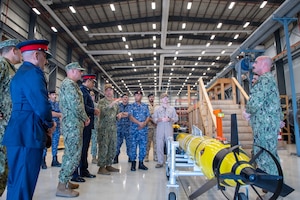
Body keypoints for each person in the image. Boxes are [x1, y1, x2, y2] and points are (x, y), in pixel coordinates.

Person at [2, 39, 56, 199]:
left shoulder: (19, 73)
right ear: (36, 54)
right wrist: (49, 123)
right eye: (45, 57)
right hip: (28, 133)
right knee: (24, 183)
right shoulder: (33, 73)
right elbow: (41, 105)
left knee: (15, 181)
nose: (45, 62)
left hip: (17, 132)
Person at [242, 56, 283, 199]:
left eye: (256, 62)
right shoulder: (269, 80)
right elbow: (276, 102)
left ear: (264, 64)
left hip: (264, 126)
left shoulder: (265, 79)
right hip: (266, 124)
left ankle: (272, 188)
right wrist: (280, 119)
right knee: (269, 154)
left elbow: (256, 101)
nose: (254, 64)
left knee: (265, 155)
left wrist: (247, 112)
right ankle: (273, 186)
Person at [56, 62, 90, 198]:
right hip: (72, 125)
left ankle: (65, 181)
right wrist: (85, 117)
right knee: (73, 155)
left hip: (73, 124)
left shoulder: (70, 84)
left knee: (71, 153)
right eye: (79, 71)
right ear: (72, 71)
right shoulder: (69, 85)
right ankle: (61, 186)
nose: (81, 73)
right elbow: (76, 105)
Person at [0, 39, 22, 196]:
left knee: (5, 168)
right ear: (14, 50)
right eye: (20, 51)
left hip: (9, 127)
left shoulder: (11, 69)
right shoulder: (1, 64)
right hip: (1, 126)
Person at [72, 74, 99, 182]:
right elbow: (81, 106)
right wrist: (93, 110)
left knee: (85, 148)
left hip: (87, 124)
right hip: (84, 124)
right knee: (81, 149)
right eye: (92, 82)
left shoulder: (86, 91)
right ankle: (76, 173)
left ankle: (83, 170)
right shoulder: (82, 91)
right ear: (87, 81)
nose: (93, 84)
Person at [97, 84, 121, 175]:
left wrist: (119, 116)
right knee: (103, 147)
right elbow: (101, 112)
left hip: (113, 128)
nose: (109, 92)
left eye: (110, 90)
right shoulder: (101, 102)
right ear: (104, 92)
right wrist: (111, 104)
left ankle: (108, 164)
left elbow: (118, 113)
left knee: (112, 147)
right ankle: (101, 167)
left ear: (113, 92)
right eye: (107, 90)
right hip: (103, 128)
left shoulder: (116, 104)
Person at [153, 93, 178, 168]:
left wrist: (170, 119)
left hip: (168, 127)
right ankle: (160, 162)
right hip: (160, 127)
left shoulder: (172, 109)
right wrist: (159, 119)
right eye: (164, 98)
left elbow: (176, 118)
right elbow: (154, 119)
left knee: (170, 145)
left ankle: (170, 161)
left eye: (167, 97)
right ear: (161, 99)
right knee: (159, 144)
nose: (166, 99)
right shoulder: (157, 109)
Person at [128, 90, 150, 171]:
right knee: (133, 147)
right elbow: (130, 117)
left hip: (143, 130)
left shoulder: (145, 106)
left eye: (140, 95)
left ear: (141, 97)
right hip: (134, 130)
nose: (138, 96)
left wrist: (144, 123)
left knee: (143, 147)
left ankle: (141, 163)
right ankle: (133, 163)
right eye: (136, 95)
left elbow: (148, 116)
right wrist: (139, 123)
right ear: (134, 96)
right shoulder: (131, 106)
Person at [41, 90, 62, 169]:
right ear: (49, 95)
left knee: (55, 143)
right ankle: (43, 160)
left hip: (57, 126)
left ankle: (54, 160)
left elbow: (60, 114)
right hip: (49, 126)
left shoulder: (57, 104)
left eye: (55, 94)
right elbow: (50, 113)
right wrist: (58, 114)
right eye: (53, 94)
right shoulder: (47, 103)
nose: (55, 96)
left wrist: (57, 115)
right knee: (46, 143)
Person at [114, 93, 131, 164]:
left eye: (126, 97)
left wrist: (121, 114)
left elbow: (130, 114)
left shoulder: (131, 106)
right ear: (122, 99)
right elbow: (116, 115)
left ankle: (130, 157)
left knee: (129, 144)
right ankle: (115, 157)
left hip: (128, 128)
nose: (125, 99)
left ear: (128, 99)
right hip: (119, 127)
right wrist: (124, 114)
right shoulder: (117, 106)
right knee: (117, 143)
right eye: (124, 97)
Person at [145, 93, 158, 162]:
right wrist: (153, 121)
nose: (152, 98)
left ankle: (155, 156)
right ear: (148, 98)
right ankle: (146, 156)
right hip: (149, 126)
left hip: (156, 127)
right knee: (148, 142)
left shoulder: (157, 106)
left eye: (153, 97)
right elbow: (147, 115)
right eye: (150, 97)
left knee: (156, 142)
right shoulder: (146, 106)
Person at [90, 91, 99, 164]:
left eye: (93, 96)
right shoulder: (85, 104)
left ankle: (94, 157)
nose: (92, 97)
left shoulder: (97, 105)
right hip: (86, 126)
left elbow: (99, 114)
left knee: (94, 142)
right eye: (90, 95)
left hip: (95, 126)